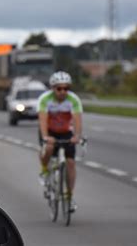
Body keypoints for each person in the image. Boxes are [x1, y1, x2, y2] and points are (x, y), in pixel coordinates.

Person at [37, 71, 83, 212]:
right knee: (49, 147)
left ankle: (69, 196)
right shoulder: (45, 99)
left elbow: (77, 120)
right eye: (59, 88)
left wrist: (77, 136)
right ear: (53, 88)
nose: (63, 91)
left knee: (70, 163)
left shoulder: (73, 99)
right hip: (49, 131)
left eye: (66, 88)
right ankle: (44, 170)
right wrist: (45, 136)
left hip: (65, 132)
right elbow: (42, 121)